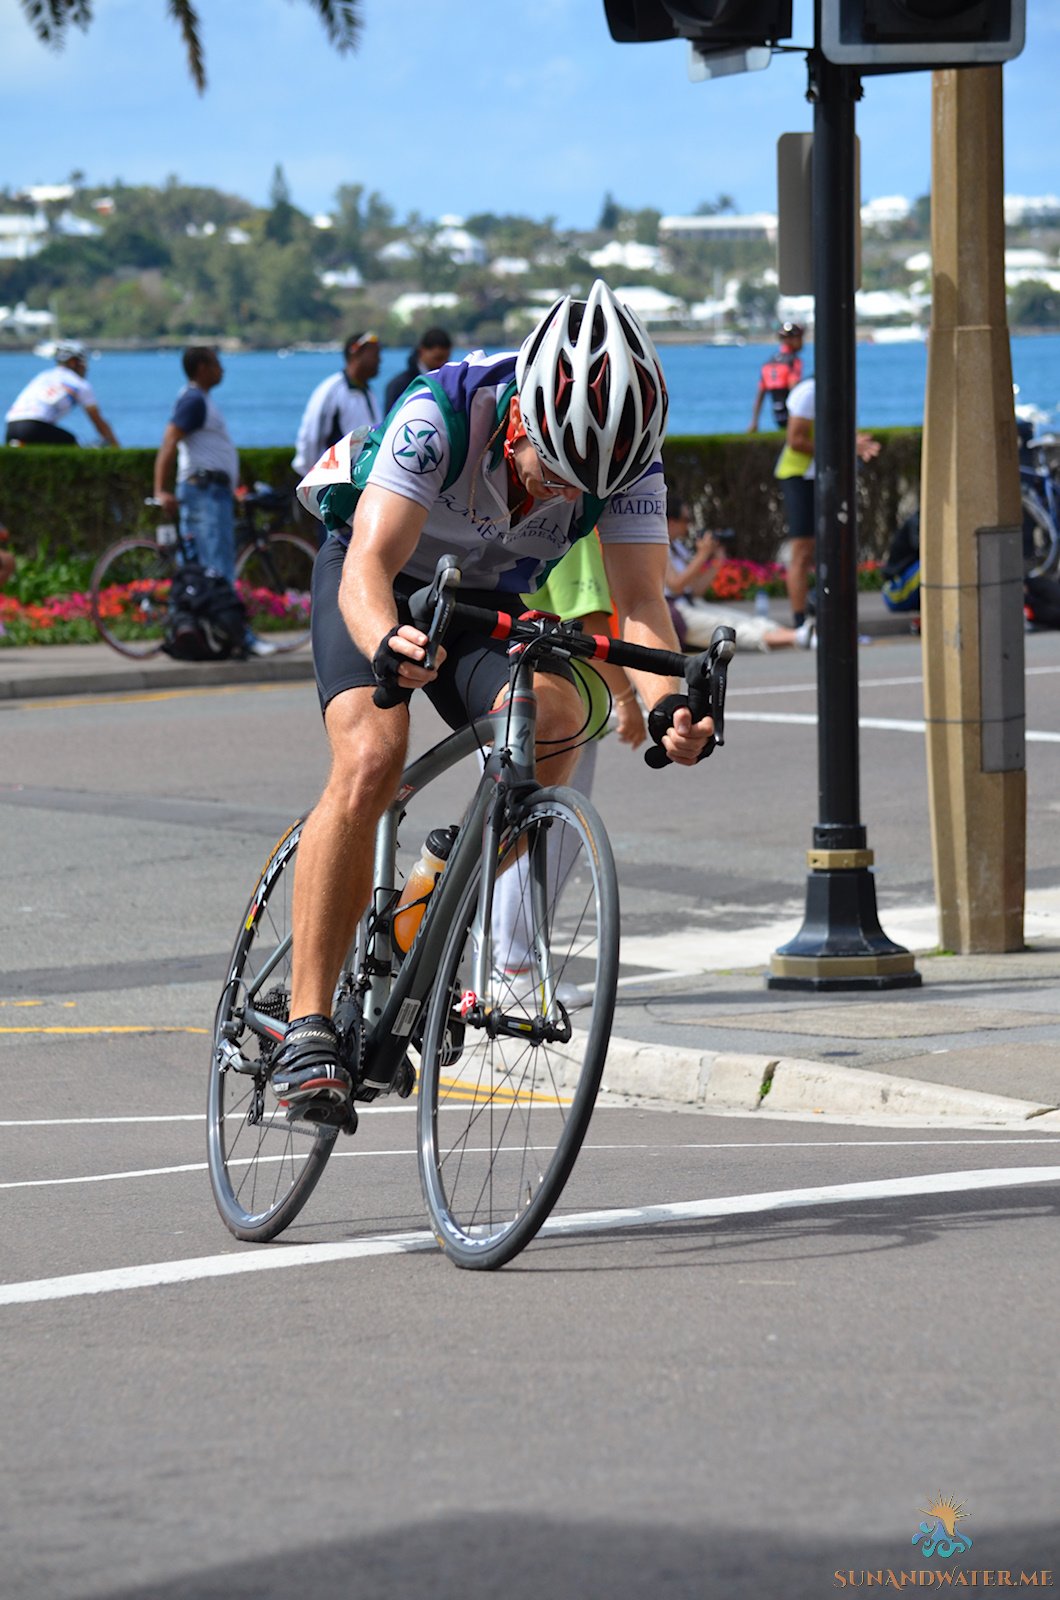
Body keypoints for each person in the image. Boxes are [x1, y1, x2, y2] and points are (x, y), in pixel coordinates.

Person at [273, 279, 714, 1115]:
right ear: (520, 422)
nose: (561, 495)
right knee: (371, 758)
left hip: (477, 601)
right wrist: (382, 643)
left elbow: (643, 604)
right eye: (553, 472)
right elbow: (367, 567)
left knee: (556, 721)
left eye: (581, 489)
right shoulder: (444, 410)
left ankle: (423, 909)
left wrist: (667, 704)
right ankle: (305, 1026)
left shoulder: (626, 458)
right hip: (375, 578)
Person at [153, 345, 275, 658]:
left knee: (209, 568)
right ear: (203, 367)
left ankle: (219, 635)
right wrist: (160, 489)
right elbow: (169, 441)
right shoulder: (194, 400)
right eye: (218, 364)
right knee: (217, 570)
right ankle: (240, 637)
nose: (223, 370)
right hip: (204, 493)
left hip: (211, 492)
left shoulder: (199, 400)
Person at [773, 375, 880, 628]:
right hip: (799, 476)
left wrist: (853, 443)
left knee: (831, 546)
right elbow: (796, 440)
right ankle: (800, 621)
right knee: (802, 550)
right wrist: (844, 447)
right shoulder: (810, 391)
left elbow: (829, 432)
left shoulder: (838, 391)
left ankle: (824, 611)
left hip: (822, 475)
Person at [665, 503, 814, 652]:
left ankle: (800, 635)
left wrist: (717, 562)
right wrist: (702, 555)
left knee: (744, 619)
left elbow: (696, 591)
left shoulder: (678, 548)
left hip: (689, 603)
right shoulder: (661, 549)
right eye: (686, 520)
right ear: (671, 522)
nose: (689, 526)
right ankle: (798, 637)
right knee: (728, 626)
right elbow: (675, 586)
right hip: (675, 612)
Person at [292, 331, 382, 477]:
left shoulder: (368, 392)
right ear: (356, 355)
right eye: (375, 355)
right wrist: (313, 480)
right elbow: (311, 438)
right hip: (333, 483)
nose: (379, 360)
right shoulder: (332, 390)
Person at [5, 340, 119, 448]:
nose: (86, 368)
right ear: (73, 362)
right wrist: (116, 447)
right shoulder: (79, 384)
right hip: (35, 426)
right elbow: (98, 422)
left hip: (11, 426)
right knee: (72, 444)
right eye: (84, 362)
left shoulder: (42, 376)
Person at [748, 322, 804, 433]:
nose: (802, 342)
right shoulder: (793, 361)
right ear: (792, 339)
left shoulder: (769, 362)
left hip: (777, 414)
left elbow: (760, 394)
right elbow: (794, 389)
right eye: (799, 338)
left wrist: (754, 421)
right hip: (791, 414)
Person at [384, 326, 454, 414]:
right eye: (438, 358)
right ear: (422, 351)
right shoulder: (399, 386)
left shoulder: (451, 383)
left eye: (446, 359)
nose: (442, 364)